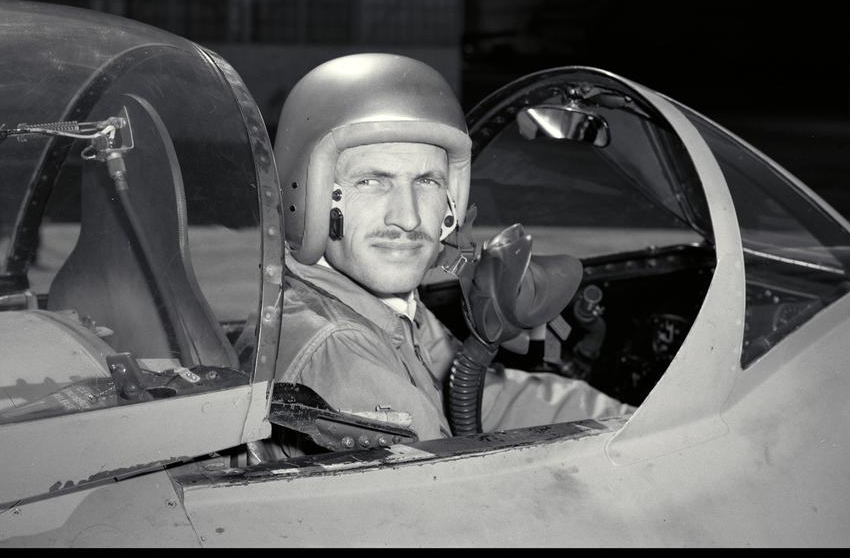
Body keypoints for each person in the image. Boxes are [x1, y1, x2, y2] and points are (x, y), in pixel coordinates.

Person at [269, 53, 633, 450]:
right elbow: (445, 491)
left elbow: (474, 393)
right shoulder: (342, 357)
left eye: (426, 181)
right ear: (310, 195)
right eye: (373, 181)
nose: (408, 219)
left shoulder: (380, 305)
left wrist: (631, 422)